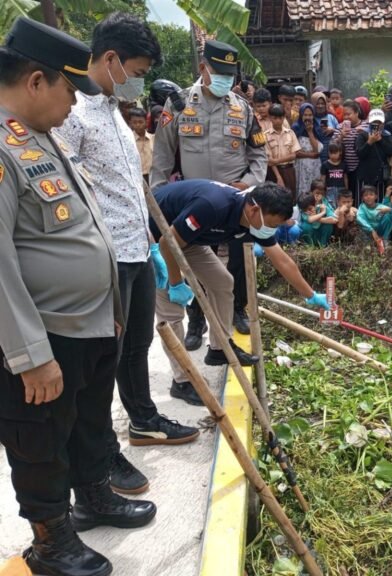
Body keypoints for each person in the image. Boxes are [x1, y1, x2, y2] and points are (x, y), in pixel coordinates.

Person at [0, 17, 156, 576]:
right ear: (38, 81)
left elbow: (82, 228)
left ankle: (95, 495)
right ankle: (50, 540)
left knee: (89, 420)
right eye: (70, 89)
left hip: (88, 324)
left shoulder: (38, 136)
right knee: (41, 441)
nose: (76, 102)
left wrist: (111, 310)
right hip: (44, 336)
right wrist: (30, 355)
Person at [53, 12, 198, 497]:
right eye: (136, 71)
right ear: (110, 59)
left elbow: (123, 184)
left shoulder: (110, 105)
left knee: (136, 346)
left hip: (136, 251)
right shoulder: (69, 113)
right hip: (104, 258)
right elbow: (69, 193)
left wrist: (151, 242)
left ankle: (143, 419)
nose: (139, 83)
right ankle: (101, 455)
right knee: (100, 362)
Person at [150, 180, 330, 403]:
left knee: (223, 282)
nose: (271, 231)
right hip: (156, 239)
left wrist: (310, 295)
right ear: (254, 210)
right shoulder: (212, 206)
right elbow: (168, 243)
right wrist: (176, 283)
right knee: (172, 311)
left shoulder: (257, 218)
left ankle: (219, 349)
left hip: (188, 239)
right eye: (272, 225)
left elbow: (282, 261)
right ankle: (182, 381)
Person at [150, 39, 267, 351]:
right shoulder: (177, 104)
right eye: (220, 71)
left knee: (239, 263)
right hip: (195, 202)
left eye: (231, 73)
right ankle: (197, 319)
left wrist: (249, 184)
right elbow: (162, 153)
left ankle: (237, 310)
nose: (226, 79)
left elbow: (259, 154)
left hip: (236, 200)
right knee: (194, 261)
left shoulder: (243, 108)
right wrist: (159, 196)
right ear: (203, 67)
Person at [355, 108, 392, 200]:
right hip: (365, 174)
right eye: (374, 122)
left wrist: (381, 140)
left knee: (380, 202)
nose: (377, 125)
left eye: (379, 122)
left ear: (383, 123)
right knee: (364, 201)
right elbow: (360, 154)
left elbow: (390, 152)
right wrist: (369, 142)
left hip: (380, 175)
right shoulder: (363, 134)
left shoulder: (387, 135)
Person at [265, 103, 300, 199]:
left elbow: (294, 155)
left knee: (290, 197)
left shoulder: (290, 133)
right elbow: (269, 160)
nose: (278, 121)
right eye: (274, 118)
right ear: (270, 118)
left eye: (280, 118)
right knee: (274, 199)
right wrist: (278, 177)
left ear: (284, 117)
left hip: (289, 170)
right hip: (274, 172)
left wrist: (276, 161)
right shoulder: (266, 136)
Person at [356, 184, 392, 254]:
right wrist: (371, 230)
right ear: (362, 198)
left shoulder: (381, 206)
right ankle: (372, 244)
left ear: (376, 196)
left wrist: (390, 210)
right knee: (367, 250)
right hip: (368, 233)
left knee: (388, 214)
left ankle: (384, 240)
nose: (368, 197)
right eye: (365, 195)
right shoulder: (362, 207)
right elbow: (359, 219)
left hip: (381, 233)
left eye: (371, 194)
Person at [335, 99, 366, 196]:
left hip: (361, 166)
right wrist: (341, 137)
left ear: (357, 113)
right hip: (344, 166)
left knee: (359, 192)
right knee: (346, 193)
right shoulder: (340, 127)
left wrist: (364, 133)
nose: (346, 117)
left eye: (349, 114)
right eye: (344, 115)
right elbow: (332, 146)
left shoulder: (366, 125)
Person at [292, 102, 323, 197]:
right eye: (305, 115)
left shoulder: (317, 128)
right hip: (301, 165)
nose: (308, 117)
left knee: (314, 189)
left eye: (310, 115)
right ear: (301, 115)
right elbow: (294, 151)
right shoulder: (295, 128)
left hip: (314, 165)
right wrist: (310, 155)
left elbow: (317, 150)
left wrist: (310, 132)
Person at [298, 180, 337, 246]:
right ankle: (309, 246)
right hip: (310, 231)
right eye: (317, 193)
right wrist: (322, 213)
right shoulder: (306, 201)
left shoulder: (325, 203)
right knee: (306, 226)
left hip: (320, 230)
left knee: (328, 226)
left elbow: (334, 219)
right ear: (311, 192)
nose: (319, 196)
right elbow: (309, 219)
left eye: (322, 194)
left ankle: (323, 245)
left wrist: (319, 217)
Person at [310, 91, 338, 162]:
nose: (320, 106)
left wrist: (333, 130)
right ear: (313, 104)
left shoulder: (331, 117)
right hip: (316, 154)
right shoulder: (310, 118)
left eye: (322, 103)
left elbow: (340, 132)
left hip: (332, 154)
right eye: (317, 103)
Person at [129, 108, 153, 182]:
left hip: (153, 176)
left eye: (140, 122)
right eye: (134, 122)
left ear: (146, 122)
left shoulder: (153, 138)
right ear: (130, 123)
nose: (138, 125)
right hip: (138, 177)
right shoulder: (129, 140)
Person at [320, 141, 347, 207]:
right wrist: (322, 190)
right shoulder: (325, 165)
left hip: (341, 189)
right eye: (331, 153)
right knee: (331, 205)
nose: (333, 155)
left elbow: (345, 178)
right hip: (329, 189)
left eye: (335, 153)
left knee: (341, 205)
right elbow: (323, 178)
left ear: (340, 152)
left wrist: (346, 188)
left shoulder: (343, 164)